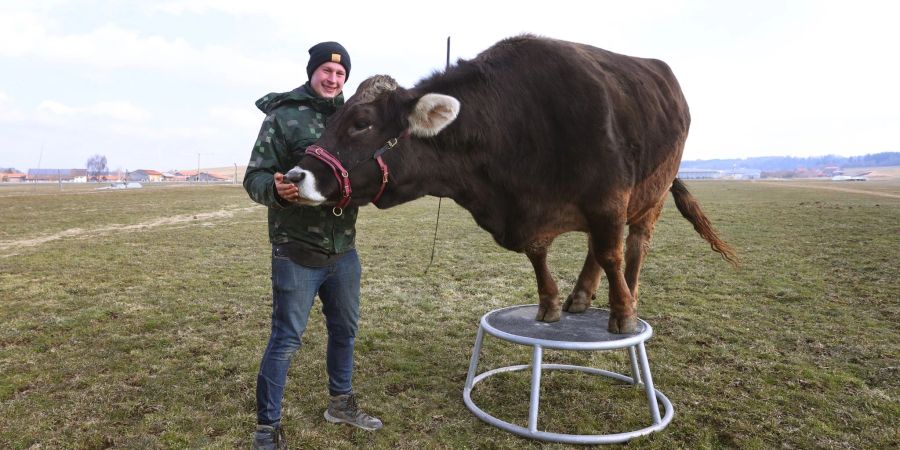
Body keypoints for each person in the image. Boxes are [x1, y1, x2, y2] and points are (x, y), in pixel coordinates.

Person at [244, 41, 383, 450]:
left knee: (345, 331)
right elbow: (254, 177)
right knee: (285, 340)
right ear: (313, 72)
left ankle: (340, 404)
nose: (333, 79)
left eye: (340, 74)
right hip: (297, 250)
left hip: (344, 251)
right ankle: (266, 431)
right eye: (327, 71)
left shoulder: (352, 119)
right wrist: (274, 188)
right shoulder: (283, 116)